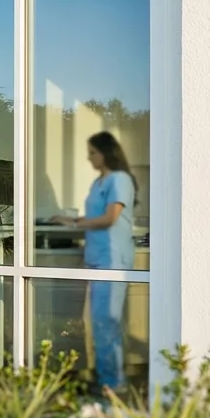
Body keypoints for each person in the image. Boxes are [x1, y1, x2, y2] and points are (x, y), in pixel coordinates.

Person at [51, 131, 137, 391]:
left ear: (105, 153)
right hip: (97, 258)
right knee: (100, 323)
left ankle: (113, 383)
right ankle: (107, 379)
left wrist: (73, 223)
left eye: (92, 153)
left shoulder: (119, 179)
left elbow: (110, 218)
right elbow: (94, 217)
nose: (89, 158)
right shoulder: (98, 182)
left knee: (106, 322)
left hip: (112, 258)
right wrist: (69, 221)